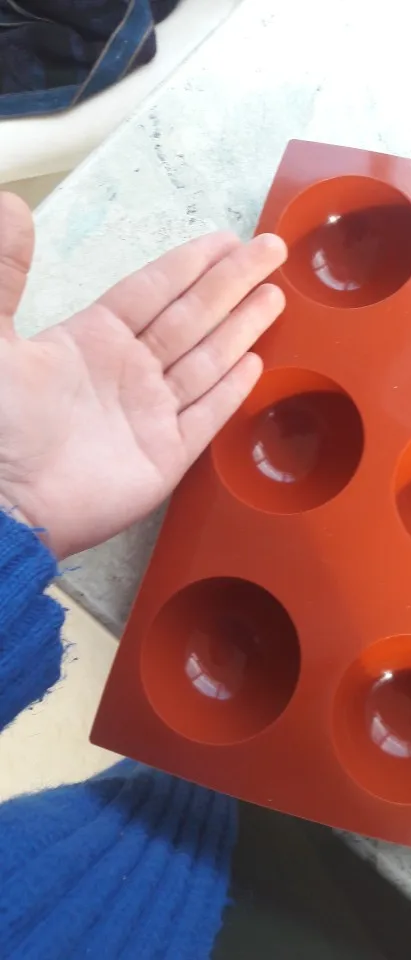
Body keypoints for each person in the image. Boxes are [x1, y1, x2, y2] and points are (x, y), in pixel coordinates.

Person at [0, 191, 287, 959]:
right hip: (120, 904)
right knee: (172, 820)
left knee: (163, 814)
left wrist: (12, 501)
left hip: (84, 870)